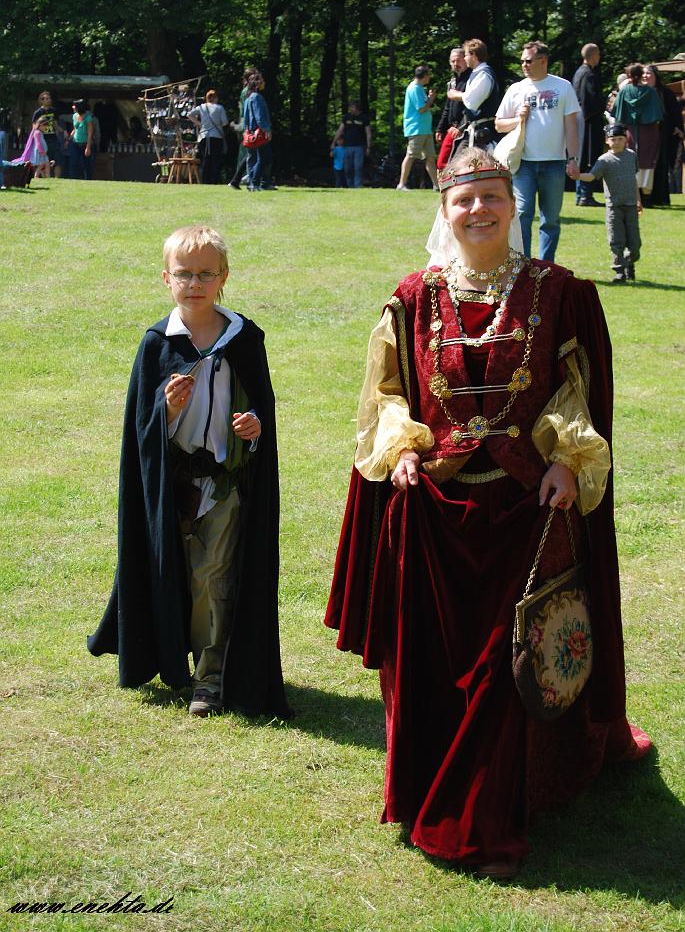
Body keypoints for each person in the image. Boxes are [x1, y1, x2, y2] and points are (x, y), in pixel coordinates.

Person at [326, 145, 651, 878]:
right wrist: (400, 446)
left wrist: (567, 462)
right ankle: (434, 778)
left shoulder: (559, 291)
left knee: (515, 665)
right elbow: (384, 394)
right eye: (463, 201)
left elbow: (577, 392)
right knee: (437, 661)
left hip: (528, 511)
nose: (478, 211)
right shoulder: (411, 296)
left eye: (491, 198)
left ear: (514, 204)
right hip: (434, 513)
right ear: (444, 211)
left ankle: (504, 800)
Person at [88, 225, 289, 719]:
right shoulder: (158, 343)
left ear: (223, 278)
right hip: (171, 486)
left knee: (213, 577)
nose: (194, 283)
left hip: (223, 481)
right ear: (166, 278)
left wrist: (253, 426)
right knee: (172, 572)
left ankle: (211, 677)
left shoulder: (244, 339)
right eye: (184, 274)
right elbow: (141, 427)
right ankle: (169, 658)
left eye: (205, 274)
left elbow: (262, 409)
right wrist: (168, 411)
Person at [495, 41, 580, 261]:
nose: (524, 64)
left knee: (550, 219)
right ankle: (523, 263)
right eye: (522, 60)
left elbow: (571, 126)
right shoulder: (516, 89)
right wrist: (518, 118)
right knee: (522, 214)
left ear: (543, 61)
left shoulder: (563, 86)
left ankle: (545, 265)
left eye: (528, 60)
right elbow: (499, 124)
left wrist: (573, 159)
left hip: (554, 163)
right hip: (523, 163)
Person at [578, 123, 642, 283]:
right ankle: (619, 271)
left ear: (626, 139)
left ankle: (629, 262)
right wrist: (577, 176)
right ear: (607, 141)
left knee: (635, 244)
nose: (617, 142)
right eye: (613, 139)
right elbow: (592, 176)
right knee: (616, 239)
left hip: (631, 205)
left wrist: (638, 200)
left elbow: (634, 179)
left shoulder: (631, 155)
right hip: (614, 207)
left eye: (620, 139)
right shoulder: (604, 160)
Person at [612, 64, 662, 198]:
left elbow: (616, 112)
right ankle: (645, 192)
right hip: (648, 131)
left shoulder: (624, 91)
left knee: (629, 156)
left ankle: (629, 189)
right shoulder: (651, 92)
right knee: (647, 157)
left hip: (630, 131)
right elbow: (657, 116)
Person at [444, 39, 500, 150]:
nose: (465, 58)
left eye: (465, 55)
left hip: (483, 133)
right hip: (475, 130)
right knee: (457, 165)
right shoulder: (477, 73)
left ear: (473, 55)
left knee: (462, 165)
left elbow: (471, 101)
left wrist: (455, 94)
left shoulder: (484, 74)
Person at [641, 64, 683, 207]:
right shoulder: (639, 91)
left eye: (649, 73)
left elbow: (675, 112)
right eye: (644, 73)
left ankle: (659, 198)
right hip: (644, 135)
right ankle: (643, 197)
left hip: (662, 134)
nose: (646, 76)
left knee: (660, 165)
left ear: (655, 76)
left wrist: (678, 128)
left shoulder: (665, 92)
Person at [572, 43, 604, 206]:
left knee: (582, 157)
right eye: (598, 55)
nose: (599, 58)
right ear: (592, 56)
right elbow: (591, 100)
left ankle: (581, 194)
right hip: (589, 123)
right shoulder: (589, 74)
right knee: (588, 157)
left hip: (581, 121)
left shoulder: (579, 73)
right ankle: (585, 195)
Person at [397, 65, 437, 191]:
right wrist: (431, 99)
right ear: (424, 76)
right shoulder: (414, 89)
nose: (429, 77)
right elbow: (421, 108)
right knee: (411, 155)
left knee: (430, 158)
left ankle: (437, 186)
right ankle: (401, 184)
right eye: (428, 75)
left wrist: (429, 98)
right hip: (416, 128)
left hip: (425, 129)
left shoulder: (419, 88)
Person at [189, 89, 228, 185]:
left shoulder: (202, 107)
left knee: (205, 159)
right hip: (216, 137)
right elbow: (225, 122)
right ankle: (214, 180)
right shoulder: (220, 108)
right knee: (215, 160)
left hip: (204, 136)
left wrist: (199, 124)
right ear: (215, 98)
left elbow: (189, 115)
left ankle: (204, 180)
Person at [330, 100, 372, 189]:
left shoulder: (364, 118)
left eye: (352, 107)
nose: (350, 109)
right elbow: (340, 130)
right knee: (347, 168)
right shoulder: (346, 117)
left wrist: (368, 147)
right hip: (347, 146)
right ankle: (350, 186)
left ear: (357, 108)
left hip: (359, 146)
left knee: (358, 167)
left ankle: (358, 186)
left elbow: (368, 133)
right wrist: (334, 142)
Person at [243, 72, 273, 192]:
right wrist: (266, 130)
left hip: (252, 132)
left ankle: (256, 182)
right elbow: (259, 116)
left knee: (261, 158)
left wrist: (246, 130)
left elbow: (245, 116)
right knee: (264, 158)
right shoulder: (256, 97)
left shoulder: (249, 97)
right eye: (262, 81)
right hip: (259, 132)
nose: (264, 83)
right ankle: (253, 183)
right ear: (257, 83)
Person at [228, 68, 258, 190]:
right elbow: (246, 112)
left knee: (248, 153)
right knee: (248, 154)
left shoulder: (246, 92)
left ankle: (241, 179)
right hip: (247, 126)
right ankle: (244, 178)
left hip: (245, 125)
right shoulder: (247, 92)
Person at [435, 47, 471, 146]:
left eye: (458, 60)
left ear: (465, 60)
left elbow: (471, 106)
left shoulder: (471, 80)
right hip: (453, 130)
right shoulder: (453, 82)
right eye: (453, 61)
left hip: (466, 130)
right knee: (443, 161)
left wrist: (461, 128)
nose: (456, 64)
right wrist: (440, 128)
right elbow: (448, 107)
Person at [31, 90, 64, 177]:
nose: (48, 100)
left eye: (49, 98)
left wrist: (63, 131)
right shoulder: (38, 112)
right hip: (42, 139)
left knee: (57, 159)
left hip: (53, 138)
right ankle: (43, 177)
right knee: (43, 160)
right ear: (41, 100)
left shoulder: (54, 111)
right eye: (46, 99)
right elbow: (34, 128)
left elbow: (56, 125)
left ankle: (57, 179)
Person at [68, 99, 93, 179]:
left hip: (85, 143)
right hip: (75, 143)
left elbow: (90, 133)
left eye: (74, 106)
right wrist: (69, 139)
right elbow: (75, 129)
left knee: (86, 164)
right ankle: (74, 179)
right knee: (74, 162)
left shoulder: (88, 118)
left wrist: (88, 147)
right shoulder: (74, 116)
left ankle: (88, 179)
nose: (72, 107)